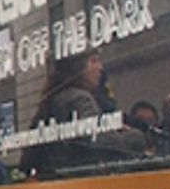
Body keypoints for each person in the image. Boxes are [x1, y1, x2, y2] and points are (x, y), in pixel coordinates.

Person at [21, 51, 145, 179]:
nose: (100, 68)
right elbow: (97, 142)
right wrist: (133, 137)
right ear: (77, 68)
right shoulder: (79, 99)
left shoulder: (53, 100)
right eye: (93, 61)